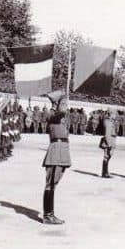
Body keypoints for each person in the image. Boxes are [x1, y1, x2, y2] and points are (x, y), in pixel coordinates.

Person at [42, 91, 70, 224]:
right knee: (50, 184)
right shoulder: (53, 114)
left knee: (54, 184)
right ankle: (48, 215)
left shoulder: (59, 116)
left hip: (62, 151)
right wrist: (61, 99)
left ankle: (49, 214)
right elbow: (61, 112)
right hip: (55, 152)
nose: (65, 105)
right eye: (63, 103)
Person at [100, 109, 117, 178]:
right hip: (109, 141)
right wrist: (109, 143)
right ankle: (104, 173)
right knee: (106, 156)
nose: (115, 115)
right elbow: (107, 134)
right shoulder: (108, 122)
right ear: (111, 114)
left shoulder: (110, 121)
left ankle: (105, 172)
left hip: (110, 141)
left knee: (108, 156)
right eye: (114, 114)